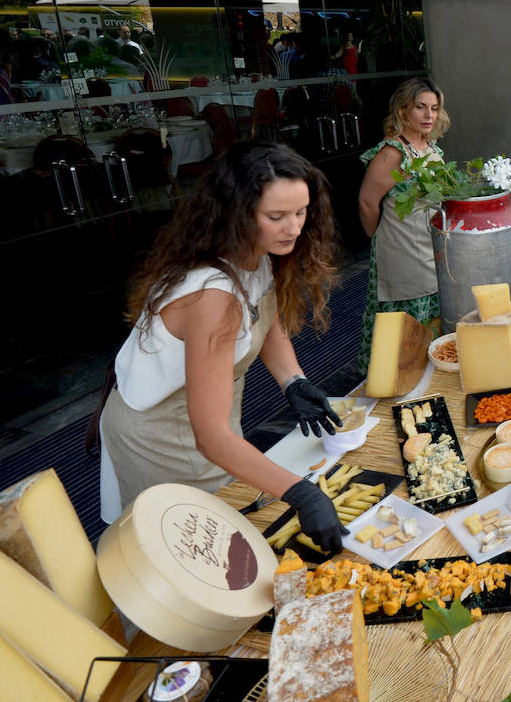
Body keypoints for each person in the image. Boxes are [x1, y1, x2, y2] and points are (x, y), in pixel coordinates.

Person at [100, 142, 346, 553]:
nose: (294, 228)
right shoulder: (212, 296)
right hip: (160, 434)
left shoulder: (255, 254)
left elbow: (265, 321)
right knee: (183, 552)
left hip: (207, 419)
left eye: (302, 212)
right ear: (237, 213)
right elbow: (210, 438)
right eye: (277, 216)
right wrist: (302, 493)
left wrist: (293, 381)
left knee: (223, 531)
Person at [356, 78, 449, 371]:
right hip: (402, 247)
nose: (428, 115)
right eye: (420, 107)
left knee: (433, 317)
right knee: (405, 320)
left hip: (429, 247)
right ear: (403, 110)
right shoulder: (392, 153)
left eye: (434, 108)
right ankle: (398, 379)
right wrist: (380, 238)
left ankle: (427, 378)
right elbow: (367, 202)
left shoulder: (431, 147)